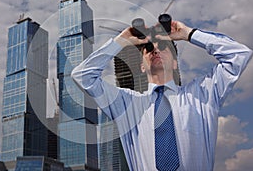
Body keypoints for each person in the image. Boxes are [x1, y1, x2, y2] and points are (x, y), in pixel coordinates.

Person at [71, 20, 252, 171]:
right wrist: (121, 41)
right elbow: (83, 76)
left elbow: (239, 54)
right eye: (148, 48)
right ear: (142, 66)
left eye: (164, 46)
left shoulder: (202, 94)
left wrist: (188, 34)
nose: (155, 50)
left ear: (175, 63)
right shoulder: (127, 103)